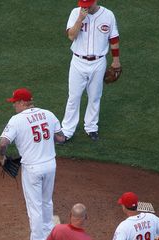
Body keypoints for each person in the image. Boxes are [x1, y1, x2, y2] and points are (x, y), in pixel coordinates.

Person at [0, 88, 66, 240]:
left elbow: (2, 143)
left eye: (14, 102)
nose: (13, 105)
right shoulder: (48, 114)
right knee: (46, 201)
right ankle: (51, 236)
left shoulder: (17, 120)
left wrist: (2, 157)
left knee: (34, 206)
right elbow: (61, 138)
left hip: (32, 168)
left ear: (22, 102)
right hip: (50, 165)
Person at [61, 0, 121, 142]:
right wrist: (80, 19)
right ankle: (67, 131)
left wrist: (116, 60)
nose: (85, 6)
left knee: (95, 96)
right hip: (78, 61)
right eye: (83, 3)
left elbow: (114, 39)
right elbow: (71, 36)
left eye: (88, 4)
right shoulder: (76, 13)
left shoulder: (108, 15)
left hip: (98, 62)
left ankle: (91, 128)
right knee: (73, 97)